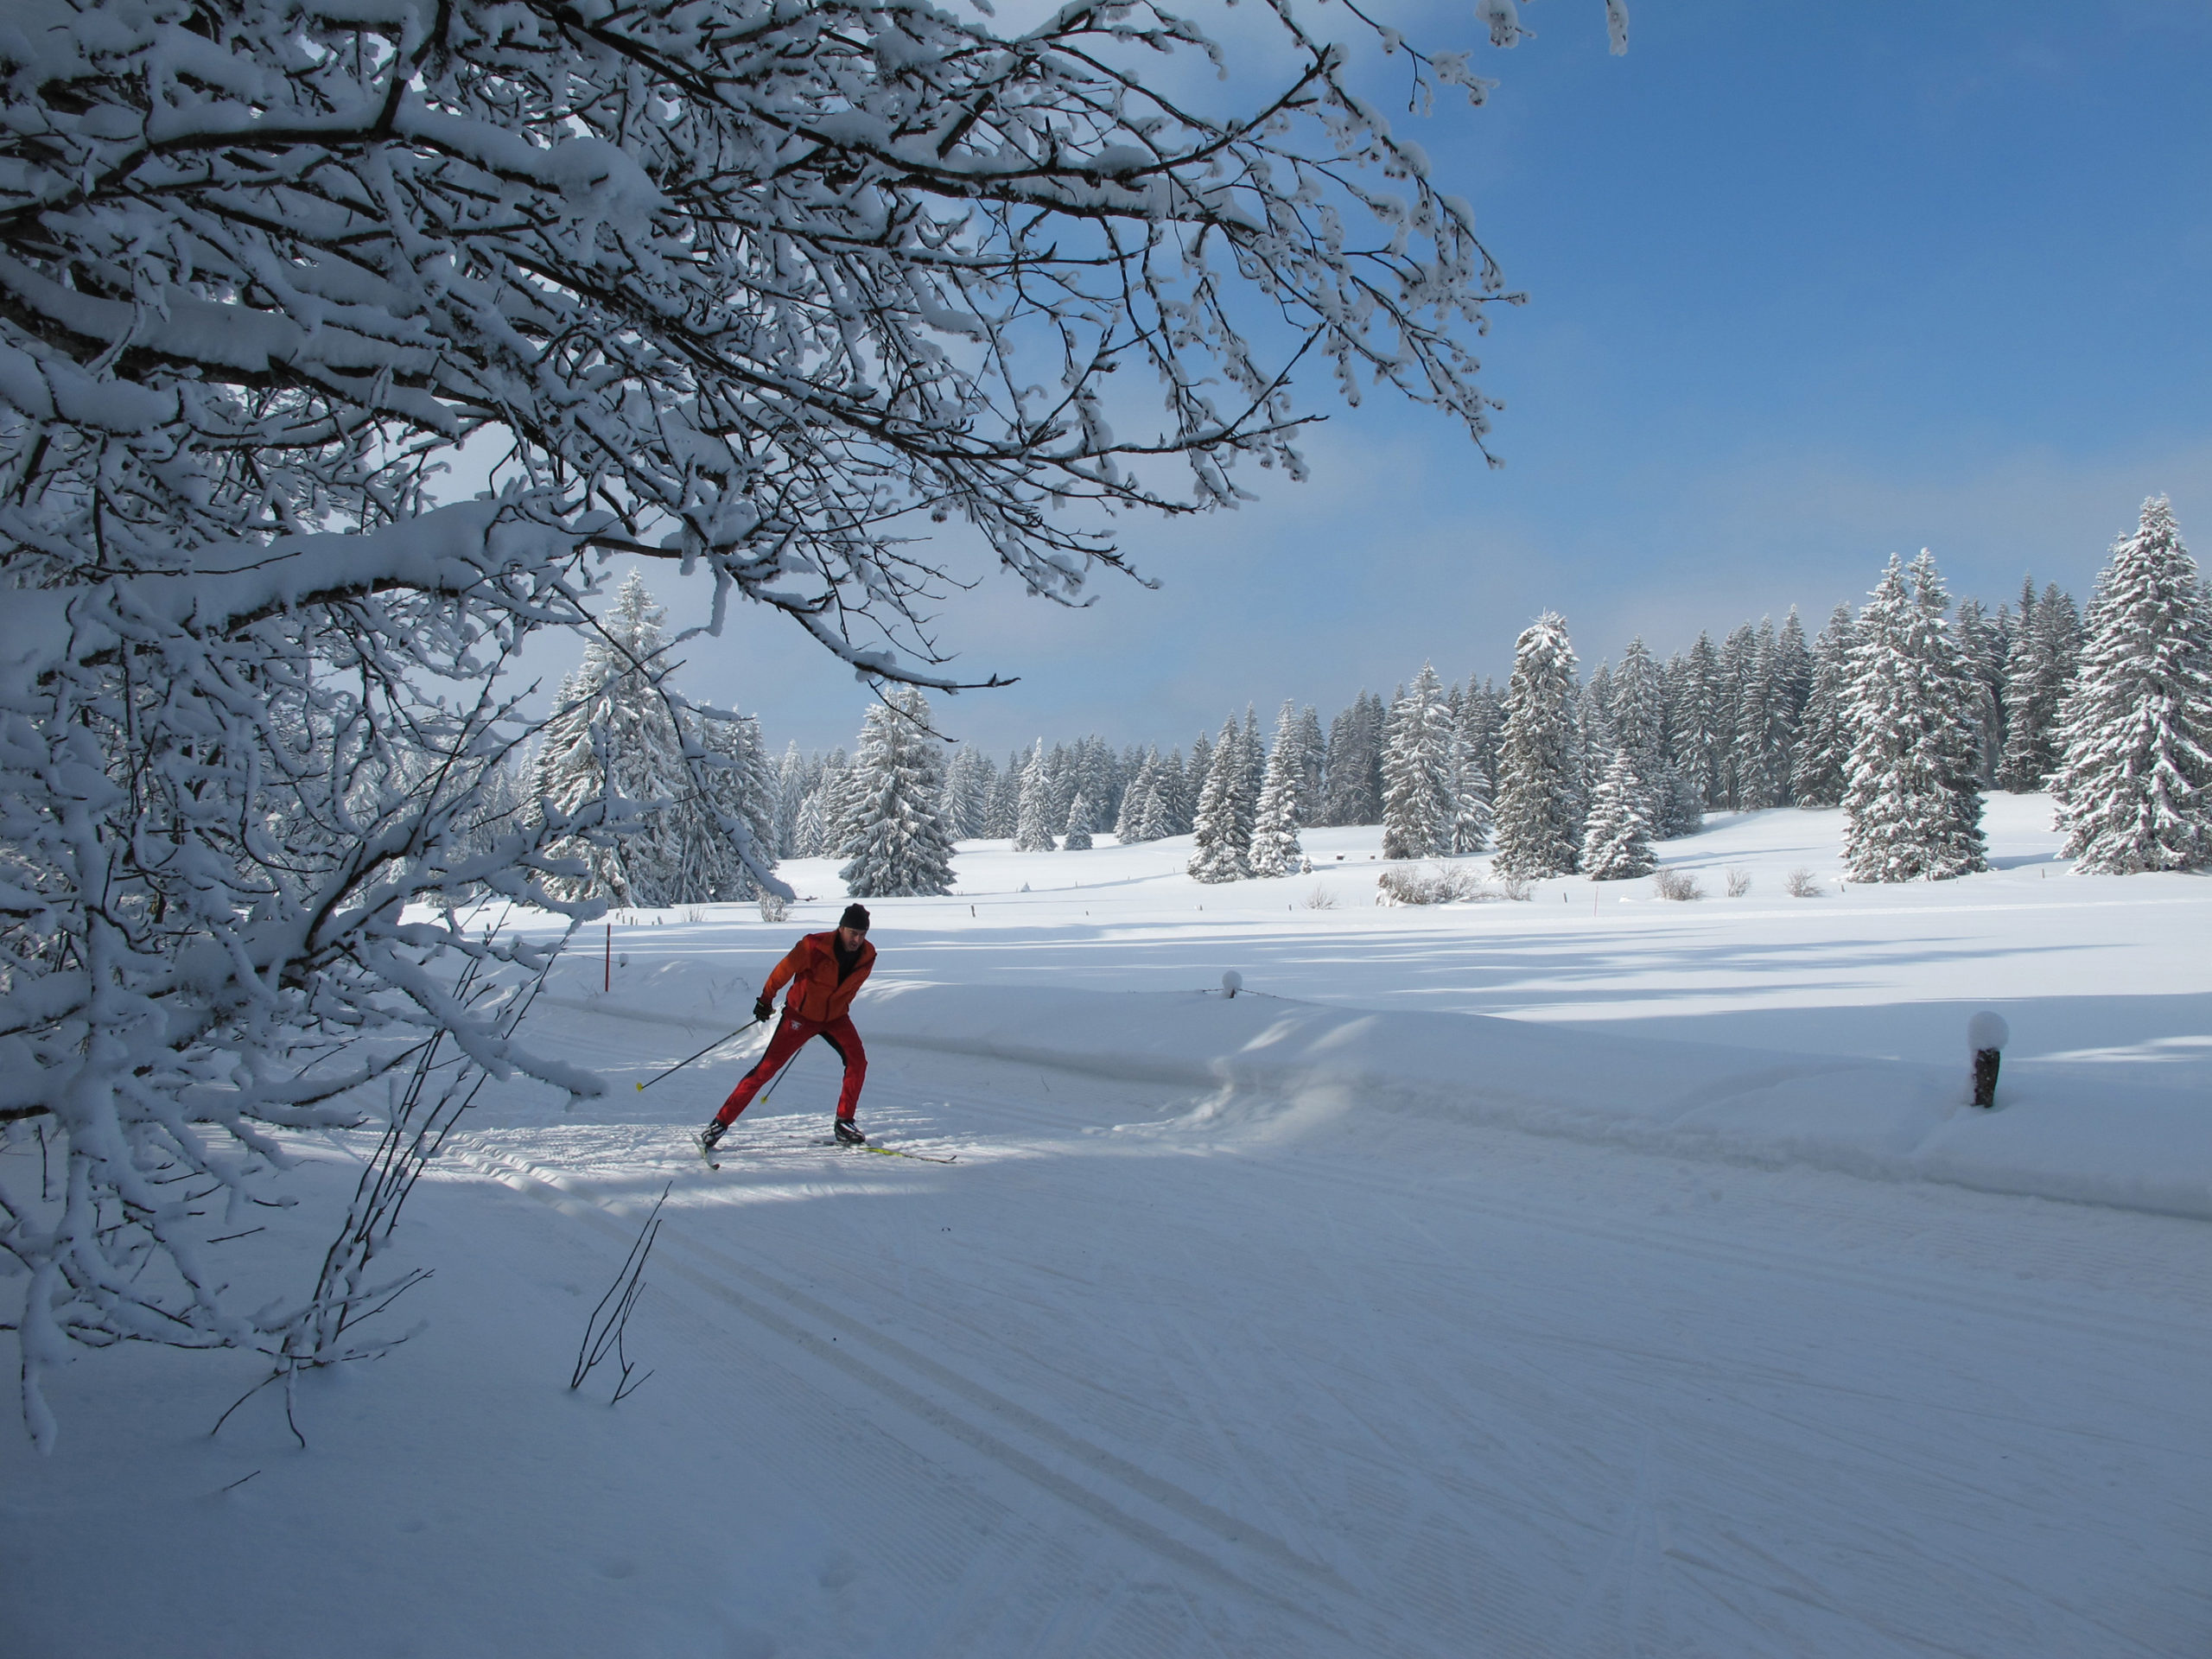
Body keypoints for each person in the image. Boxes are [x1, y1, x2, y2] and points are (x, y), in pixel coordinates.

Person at [698, 905, 875, 1158]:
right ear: (841, 928)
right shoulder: (813, 946)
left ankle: (844, 1123)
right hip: (800, 1017)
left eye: (861, 934)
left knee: (858, 1062)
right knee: (765, 1070)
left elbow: (849, 989)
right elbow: (783, 970)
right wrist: (765, 1000)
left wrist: (835, 1008)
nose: (856, 940)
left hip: (836, 1018)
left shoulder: (868, 956)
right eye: (852, 933)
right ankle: (719, 1124)